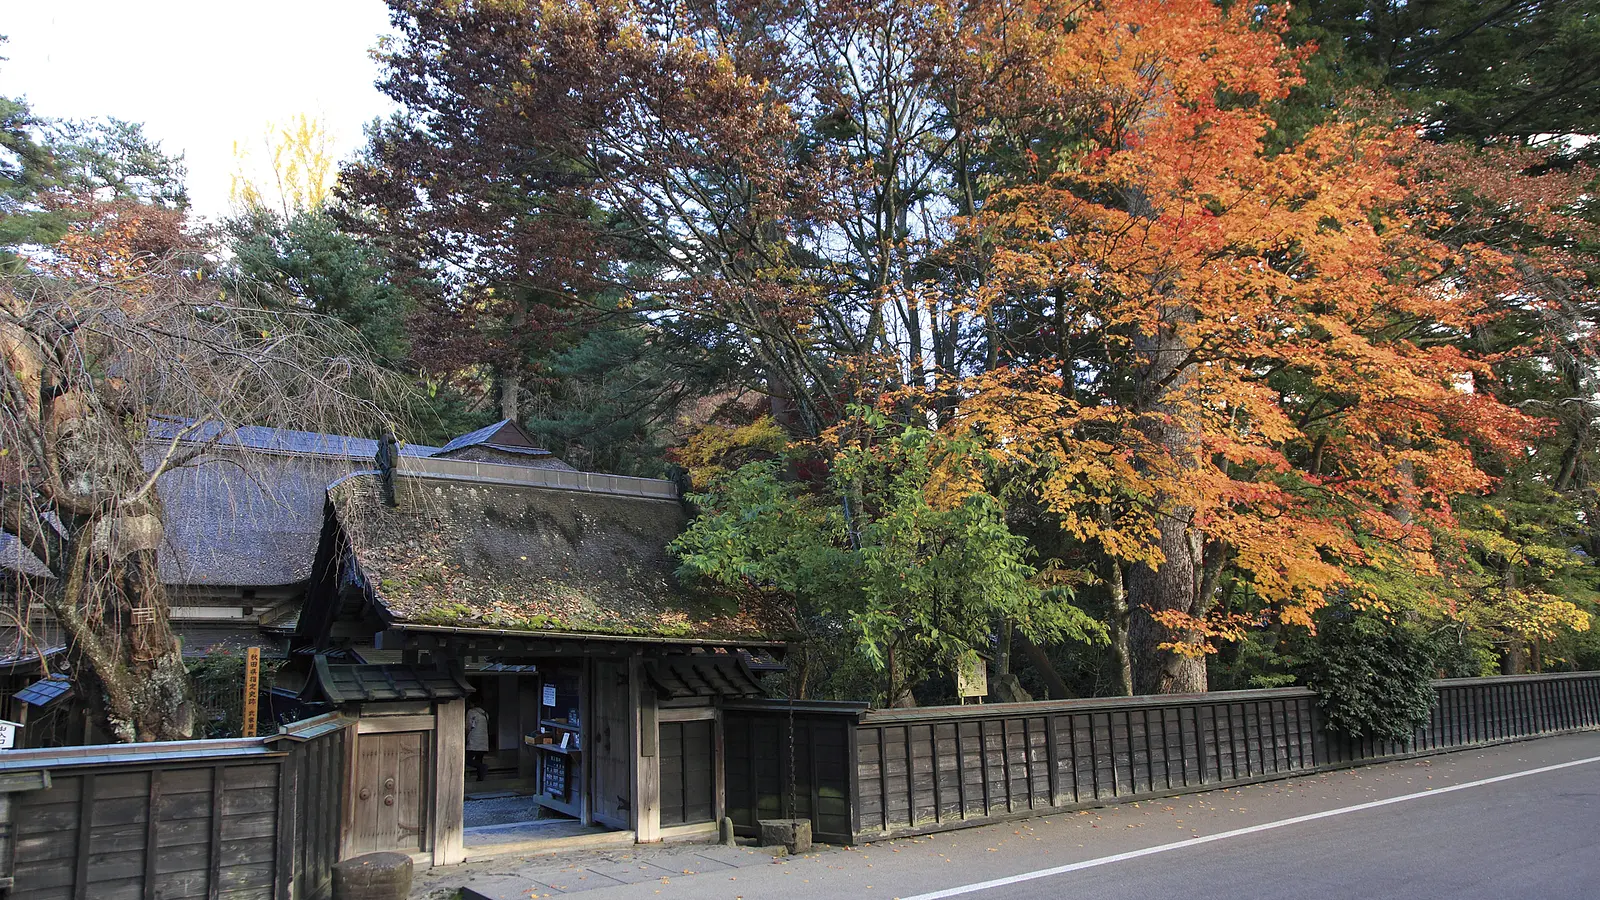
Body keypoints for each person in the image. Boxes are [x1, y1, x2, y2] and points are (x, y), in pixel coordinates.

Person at [465, 702, 490, 781]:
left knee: (467, 760)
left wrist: (465, 736)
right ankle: (480, 778)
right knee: (479, 759)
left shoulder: (471, 712)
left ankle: (482, 767)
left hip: (474, 740)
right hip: (484, 741)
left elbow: (468, 727)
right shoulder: (485, 714)